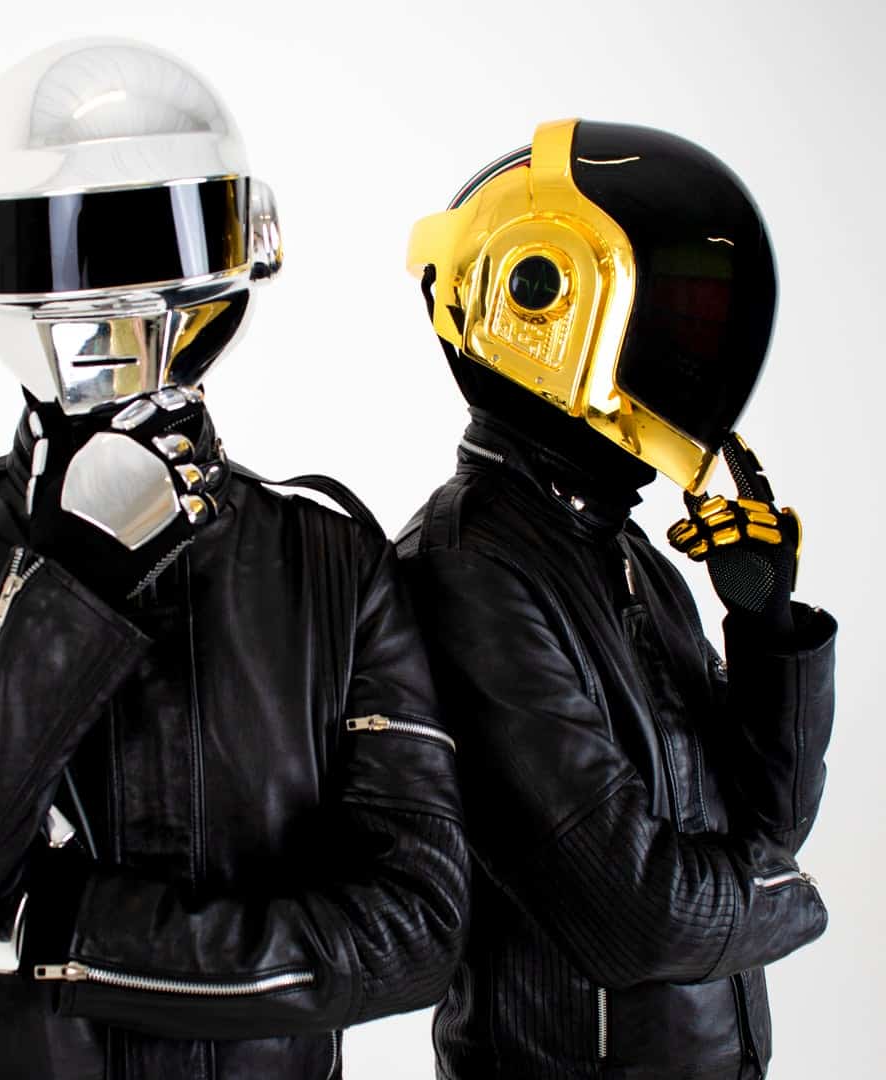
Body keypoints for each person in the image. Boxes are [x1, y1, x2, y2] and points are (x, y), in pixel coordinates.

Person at [0, 39, 467, 1080]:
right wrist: (71, 584)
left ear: (248, 243)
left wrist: (62, 933)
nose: (106, 303)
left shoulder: (329, 558)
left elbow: (418, 927)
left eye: (149, 241)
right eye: (51, 249)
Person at [398, 118, 835, 1078]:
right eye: (670, 319)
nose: (690, 351)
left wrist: (765, 626)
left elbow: (769, 823)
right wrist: (797, 901)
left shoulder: (625, 551)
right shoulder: (468, 571)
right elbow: (638, 916)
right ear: (541, 309)